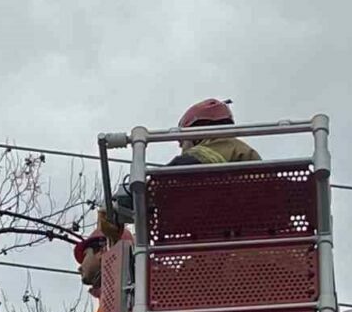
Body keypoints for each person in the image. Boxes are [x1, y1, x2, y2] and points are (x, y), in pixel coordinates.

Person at [99, 98, 260, 239]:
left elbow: (167, 181)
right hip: (253, 242)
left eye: (182, 140)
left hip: (230, 247)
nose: (180, 145)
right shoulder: (242, 154)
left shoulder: (217, 149)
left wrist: (116, 205)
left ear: (196, 133)